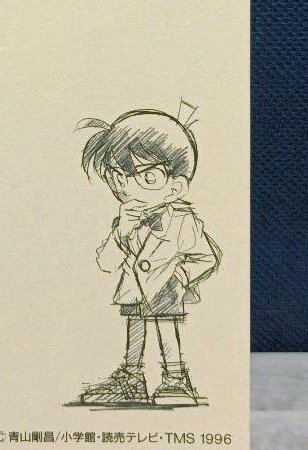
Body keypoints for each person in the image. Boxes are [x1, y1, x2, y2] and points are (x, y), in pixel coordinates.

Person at [77, 107, 221, 405]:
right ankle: (131, 379)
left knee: (167, 328)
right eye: (118, 177)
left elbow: (207, 256)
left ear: (175, 186)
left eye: (147, 176)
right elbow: (105, 262)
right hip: (133, 289)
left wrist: (180, 278)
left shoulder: (183, 220)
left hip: (166, 288)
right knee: (135, 328)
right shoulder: (124, 221)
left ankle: (175, 380)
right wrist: (122, 231)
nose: (127, 186)